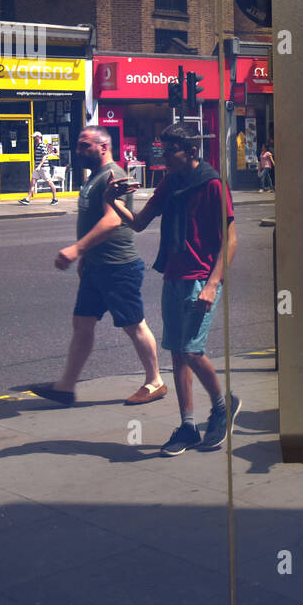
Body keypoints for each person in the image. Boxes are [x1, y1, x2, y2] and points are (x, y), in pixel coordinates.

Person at [104, 122, 240, 455]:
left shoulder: (212, 184)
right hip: (173, 276)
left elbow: (231, 239)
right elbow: (138, 223)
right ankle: (188, 425)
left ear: (191, 151)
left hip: (200, 279)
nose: (163, 156)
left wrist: (212, 284)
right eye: (162, 149)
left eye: (170, 150)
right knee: (178, 352)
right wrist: (112, 200)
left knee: (192, 350)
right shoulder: (170, 183)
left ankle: (222, 407)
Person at [29, 127, 166, 408]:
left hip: (118, 265)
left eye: (84, 146)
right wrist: (84, 259)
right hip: (95, 266)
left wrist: (76, 249)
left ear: (103, 147)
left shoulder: (114, 175)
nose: (79, 151)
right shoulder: (94, 177)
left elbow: (112, 221)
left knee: (133, 324)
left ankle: (156, 381)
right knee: (82, 323)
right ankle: (66, 387)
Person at [19, 131, 59, 205]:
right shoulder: (37, 146)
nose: (33, 138)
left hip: (44, 168)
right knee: (32, 183)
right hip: (38, 168)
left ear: (38, 137)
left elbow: (44, 157)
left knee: (50, 183)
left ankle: (55, 198)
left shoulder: (42, 145)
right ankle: (27, 199)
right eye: (33, 137)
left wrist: (39, 166)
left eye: (35, 137)